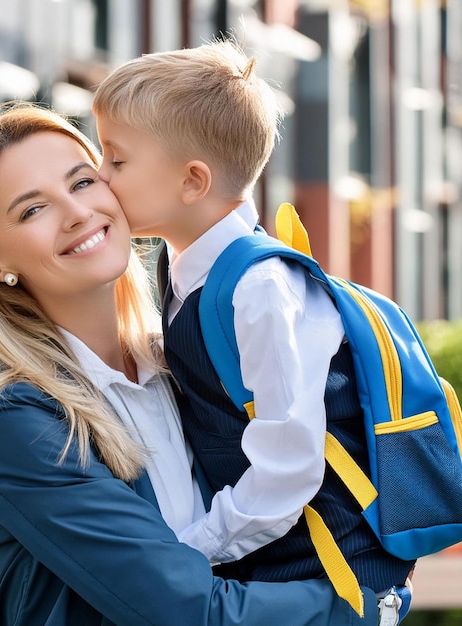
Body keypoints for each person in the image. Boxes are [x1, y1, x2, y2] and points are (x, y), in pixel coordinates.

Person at [0, 102, 381, 625]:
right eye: (32, 210)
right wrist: (367, 608)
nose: (77, 212)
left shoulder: (185, 364)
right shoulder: (19, 421)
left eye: (83, 182)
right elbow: (189, 612)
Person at [93, 41, 414, 620]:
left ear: (192, 181)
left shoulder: (260, 290)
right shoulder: (185, 270)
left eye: (116, 161)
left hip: (325, 576)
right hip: (269, 566)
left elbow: (289, 467)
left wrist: (185, 554)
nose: (100, 176)